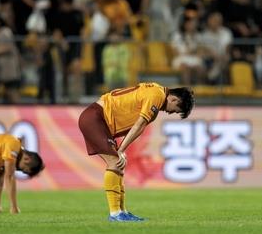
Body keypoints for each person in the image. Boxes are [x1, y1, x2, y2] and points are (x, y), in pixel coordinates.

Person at [78, 83, 194, 221]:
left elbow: (139, 128)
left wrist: (121, 150)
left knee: (119, 164)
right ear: (174, 100)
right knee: (115, 162)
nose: (170, 112)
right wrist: (120, 150)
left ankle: (122, 211)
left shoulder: (155, 94)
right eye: (175, 110)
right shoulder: (157, 96)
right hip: (95, 118)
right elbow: (139, 124)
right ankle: (115, 214)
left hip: (99, 118)